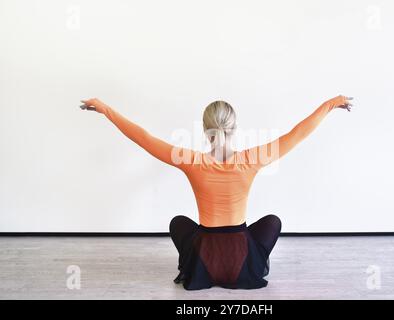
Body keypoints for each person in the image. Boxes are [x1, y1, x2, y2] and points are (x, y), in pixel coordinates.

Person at [80, 95, 354, 290]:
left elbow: (144, 138)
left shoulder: (190, 160)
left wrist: (105, 109)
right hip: (242, 258)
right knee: (273, 221)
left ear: (205, 129)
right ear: (233, 128)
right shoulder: (252, 159)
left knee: (178, 223)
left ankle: (198, 272)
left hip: (204, 259)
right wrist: (331, 104)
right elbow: (297, 134)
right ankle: (245, 272)